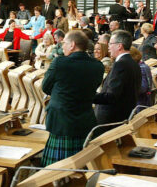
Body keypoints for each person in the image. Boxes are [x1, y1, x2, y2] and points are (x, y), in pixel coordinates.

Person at [41, 30, 104, 165]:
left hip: (61, 120)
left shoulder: (60, 62)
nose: (62, 46)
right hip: (84, 119)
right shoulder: (98, 66)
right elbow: (92, 89)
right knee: (81, 165)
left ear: (72, 45)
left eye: (64, 43)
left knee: (54, 171)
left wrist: (61, 93)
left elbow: (45, 87)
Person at [94, 30, 141, 129]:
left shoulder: (121, 64)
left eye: (111, 44)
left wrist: (87, 96)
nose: (108, 47)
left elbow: (111, 96)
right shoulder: (133, 64)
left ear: (119, 46)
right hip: (121, 118)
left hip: (110, 120)